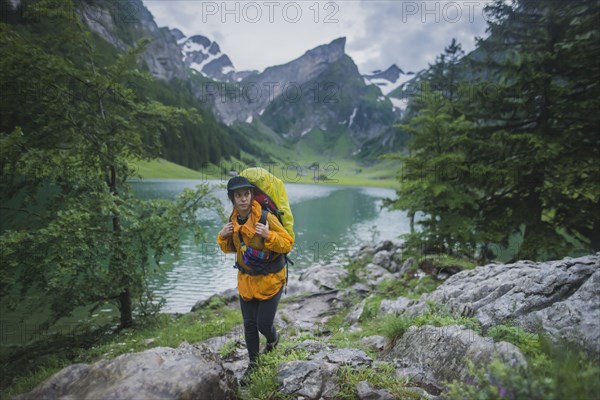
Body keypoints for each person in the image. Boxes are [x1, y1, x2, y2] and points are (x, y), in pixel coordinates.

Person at [217, 176, 294, 385]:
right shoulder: (232, 221)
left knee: (263, 324)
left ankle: (273, 340)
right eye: (238, 195)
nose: (243, 199)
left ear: (252, 196)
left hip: (271, 280)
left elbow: (287, 244)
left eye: (246, 194)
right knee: (249, 325)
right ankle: (253, 364)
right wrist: (222, 237)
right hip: (246, 282)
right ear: (232, 199)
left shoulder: (266, 218)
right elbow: (231, 248)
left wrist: (269, 235)